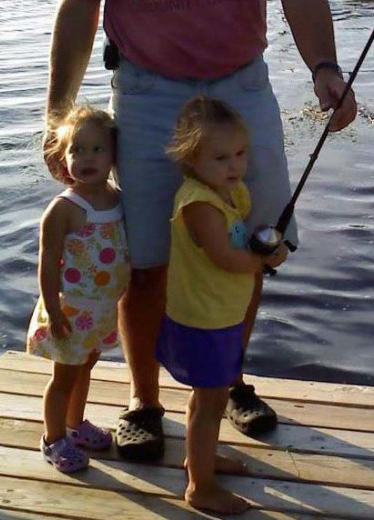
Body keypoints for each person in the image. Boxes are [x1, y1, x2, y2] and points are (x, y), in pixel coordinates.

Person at [44, 0, 358, 461]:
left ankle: (227, 381)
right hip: (146, 89)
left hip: (242, 83)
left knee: (250, 247)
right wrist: (58, 113)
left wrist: (325, 66)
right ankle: (144, 402)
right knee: (148, 260)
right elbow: (80, 8)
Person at [157, 95, 288, 514]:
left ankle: (203, 458)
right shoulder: (198, 204)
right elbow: (226, 257)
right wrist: (264, 258)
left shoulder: (230, 193)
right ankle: (200, 486)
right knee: (209, 401)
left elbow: (243, 239)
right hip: (203, 319)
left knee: (208, 398)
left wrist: (270, 243)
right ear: (190, 159)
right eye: (220, 158)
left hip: (221, 315)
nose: (234, 166)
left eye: (239, 154)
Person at [28, 106, 130, 473]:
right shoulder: (65, 208)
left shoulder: (118, 198)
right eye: (77, 150)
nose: (86, 158)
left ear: (114, 154)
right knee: (63, 376)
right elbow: (47, 261)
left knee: (86, 366)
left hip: (101, 308)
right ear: (62, 157)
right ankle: (53, 438)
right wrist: (54, 312)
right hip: (69, 309)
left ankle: (76, 423)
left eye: (97, 149)